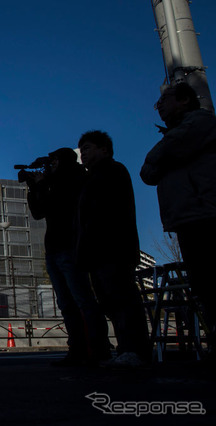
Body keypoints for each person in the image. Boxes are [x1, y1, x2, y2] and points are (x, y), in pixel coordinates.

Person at [141, 83, 216, 359]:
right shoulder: (177, 134)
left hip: (206, 213)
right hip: (186, 218)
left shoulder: (201, 121)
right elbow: (147, 173)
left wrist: (163, 157)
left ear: (184, 100)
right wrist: (164, 158)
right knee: (203, 285)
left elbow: (157, 157)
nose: (159, 105)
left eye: (164, 99)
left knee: (210, 281)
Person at [26, 148, 111, 366]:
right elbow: (38, 212)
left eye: (53, 161)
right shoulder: (54, 183)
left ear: (63, 161)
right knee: (66, 302)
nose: (50, 165)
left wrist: (45, 183)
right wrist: (34, 187)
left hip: (70, 247)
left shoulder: (75, 179)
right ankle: (78, 348)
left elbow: (62, 204)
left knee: (82, 299)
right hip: (53, 249)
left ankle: (98, 348)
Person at [77, 130, 151, 368]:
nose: (83, 154)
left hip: (113, 248)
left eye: (87, 148)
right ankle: (126, 349)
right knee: (110, 302)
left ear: (104, 149)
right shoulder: (92, 178)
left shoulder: (113, 171)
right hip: (98, 251)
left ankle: (135, 350)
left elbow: (109, 214)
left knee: (122, 299)